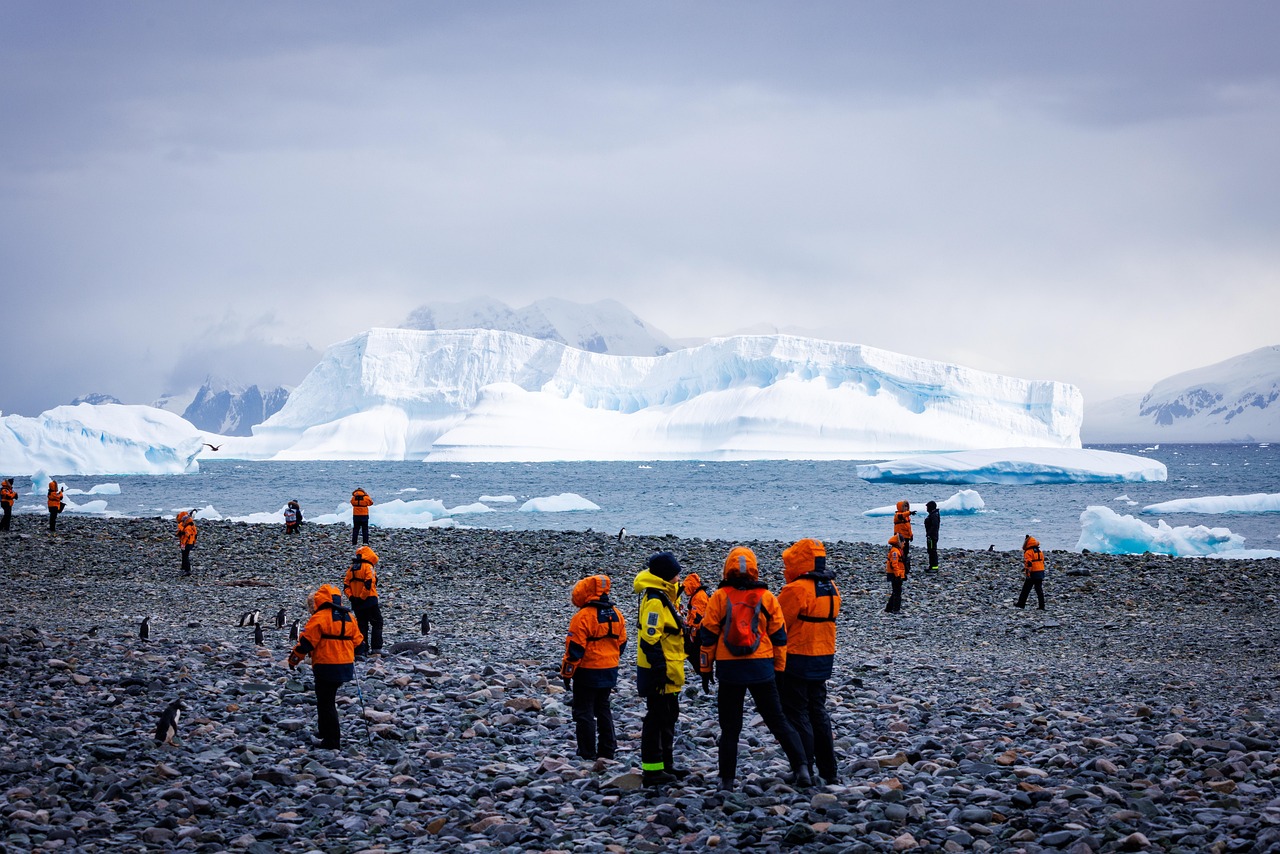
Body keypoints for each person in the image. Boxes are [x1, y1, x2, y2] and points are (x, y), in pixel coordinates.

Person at [698, 546, 811, 790]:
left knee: (730, 728)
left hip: (729, 669)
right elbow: (779, 637)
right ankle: (802, 769)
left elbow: (707, 637)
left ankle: (726, 781)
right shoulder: (766, 597)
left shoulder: (719, 597)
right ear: (754, 569)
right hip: (761, 666)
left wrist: (705, 670)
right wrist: (779, 670)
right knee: (778, 720)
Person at [777, 538, 841, 785]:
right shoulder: (831, 586)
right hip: (824, 656)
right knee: (818, 712)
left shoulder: (796, 590)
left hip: (797, 657)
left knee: (797, 713)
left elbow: (778, 624)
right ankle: (829, 770)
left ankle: (803, 768)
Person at [559, 574, 627, 761]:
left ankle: (587, 752)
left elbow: (575, 650)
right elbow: (622, 643)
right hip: (609, 669)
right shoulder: (616, 614)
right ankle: (608, 749)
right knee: (603, 707)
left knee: (584, 711)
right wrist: (610, 660)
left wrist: (567, 673)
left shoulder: (583, 617)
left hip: (587, 671)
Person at [287, 583, 363, 750]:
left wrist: (293, 660)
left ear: (320, 599)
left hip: (326, 665)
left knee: (326, 702)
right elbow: (359, 644)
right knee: (326, 699)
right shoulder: (349, 617)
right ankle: (323, 732)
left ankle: (331, 741)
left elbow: (306, 643)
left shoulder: (320, 617)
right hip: (345, 666)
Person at [635, 552, 688, 787]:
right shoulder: (656, 599)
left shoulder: (667, 595)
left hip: (671, 667)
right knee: (656, 718)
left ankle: (667, 764)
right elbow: (650, 638)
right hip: (658, 669)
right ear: (667, 575)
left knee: (669, 715)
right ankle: (653, 769)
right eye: (676, 572)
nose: (679, 576)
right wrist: (659, 668)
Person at [343, 545, 383, 657]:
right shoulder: (368, 567)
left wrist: (352, 597)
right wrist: (363, 597)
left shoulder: (351, 569)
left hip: (356, 602)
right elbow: (369, 583)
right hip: (369, 600)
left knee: (362, 624)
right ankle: (376, 648)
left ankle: (363, 649)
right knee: (377, 622)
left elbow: (346, 585)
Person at [681, 571, 711, 661]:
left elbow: (697, 616)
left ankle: (701, 672)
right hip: (702, 629)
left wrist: (691, 630)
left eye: (687, 588)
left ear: (692, 586)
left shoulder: (699, 597)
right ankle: (702, 671)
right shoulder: (698, 594)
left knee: (694, 652)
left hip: (699, 630)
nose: (685, 591)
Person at [1016, 535, 1047, 610]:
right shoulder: (1039, 551)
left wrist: (1028, 573)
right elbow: (1042, 561)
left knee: (1026, 589)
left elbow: (1028, 563)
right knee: (1039, 589)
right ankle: (1042, 606)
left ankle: (1021, 604)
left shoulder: (1028, 552)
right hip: (1040, 571)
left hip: (1033, 572)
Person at [893, 500, 915, 576]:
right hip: (899, 538)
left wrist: (911, 535)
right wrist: (909, 512)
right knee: (900, 553)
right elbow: (901, 516)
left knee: (905, 552)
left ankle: (904, 568)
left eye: (906, 506)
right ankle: (898, 568)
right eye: (904, 506)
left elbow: (908, 527)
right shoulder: (897, 515)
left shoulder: (907, 517)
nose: (906, 508)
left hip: (906, 537)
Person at [885, 534, 905, 614]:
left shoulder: (896, 550)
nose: (904, 544)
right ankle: (896, 609)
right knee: (897, 592)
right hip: (895, 574)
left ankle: (889, 608)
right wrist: (897, 575)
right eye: (903, 542)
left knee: (895, 591)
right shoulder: (895, 552)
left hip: (897, 573)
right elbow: (894, 564)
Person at [176, 511, 198, 575]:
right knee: (184, 555)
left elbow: (186, 536)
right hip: (189, 542)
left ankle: (187, 570)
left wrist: (183, 543)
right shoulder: (190, 525)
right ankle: (183, 567)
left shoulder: (187, 527)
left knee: (185, 556)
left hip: (187, 543)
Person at [924, 500, 941, 571]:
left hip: (932, 536)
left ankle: (934, 567)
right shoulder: (933, 514)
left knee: (932, 550)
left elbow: (934, 526)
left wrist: (929, 534)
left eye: (927, 507)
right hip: (932, 535)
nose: (926, 509)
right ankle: (932, 566)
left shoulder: (934, 515)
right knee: (931, 550)